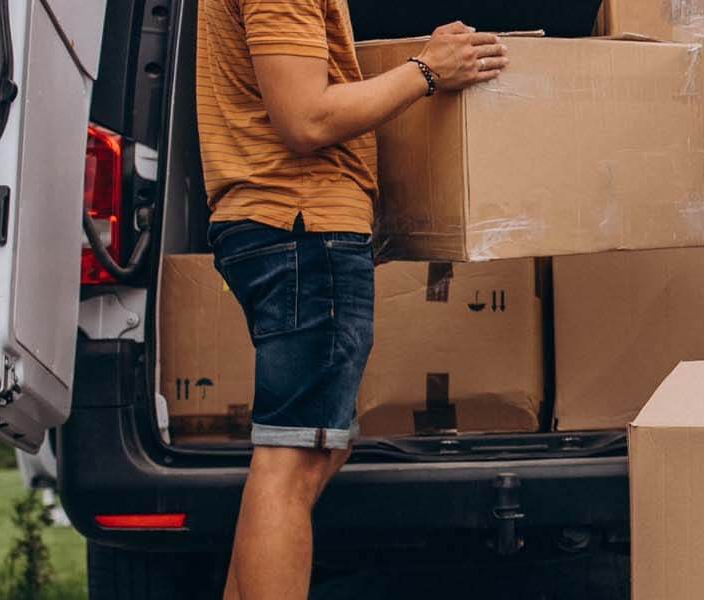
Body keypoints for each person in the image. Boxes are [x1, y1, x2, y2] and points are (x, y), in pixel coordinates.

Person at [194, 1, 505, 596]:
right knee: (293, 462)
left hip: (287, 225)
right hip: (301, 224)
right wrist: (427, 70)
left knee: (307, 456)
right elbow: (305, 118)